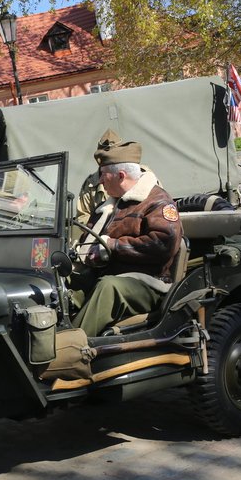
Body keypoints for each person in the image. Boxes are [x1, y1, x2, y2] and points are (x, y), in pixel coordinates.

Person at [72, 133, 184, 337]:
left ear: (121, 176)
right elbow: (87, 237)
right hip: (113, 273)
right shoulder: (111, 204)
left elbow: (163, 244)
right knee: (69, 283)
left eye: (103, 175)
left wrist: (113, 246)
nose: (100, 181)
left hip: (149, 282)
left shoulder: (157, 201)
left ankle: (70, 349)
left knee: (108, 288)